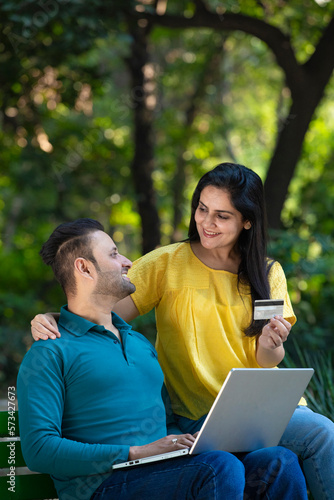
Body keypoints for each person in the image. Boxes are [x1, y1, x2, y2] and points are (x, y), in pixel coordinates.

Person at [31, 163, 334, 499]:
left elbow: (269, 359)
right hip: (199, 414)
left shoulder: (267, 272)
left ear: (246, 221)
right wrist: (54, 318)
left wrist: (271, 343)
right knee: (319, 435)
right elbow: (97, 309)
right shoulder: (167, 263)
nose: (207, 222)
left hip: (261, 408)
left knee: (294, 454)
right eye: (202, 209)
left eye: (222, 215)